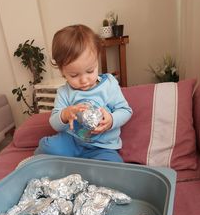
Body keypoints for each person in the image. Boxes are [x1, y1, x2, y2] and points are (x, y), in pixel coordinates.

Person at [35, 24, 133, 162]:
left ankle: (87, 167)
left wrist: (111, 120)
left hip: (102, 147)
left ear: (97, 60)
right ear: (62, 71)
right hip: (72, 142)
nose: (84, 80)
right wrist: (65, 114)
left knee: (114, 164)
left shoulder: (109, 85)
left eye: (90, 71)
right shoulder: (64, 92)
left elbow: (125, 110)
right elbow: (54, 123)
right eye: (74, 75)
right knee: (47, 147)